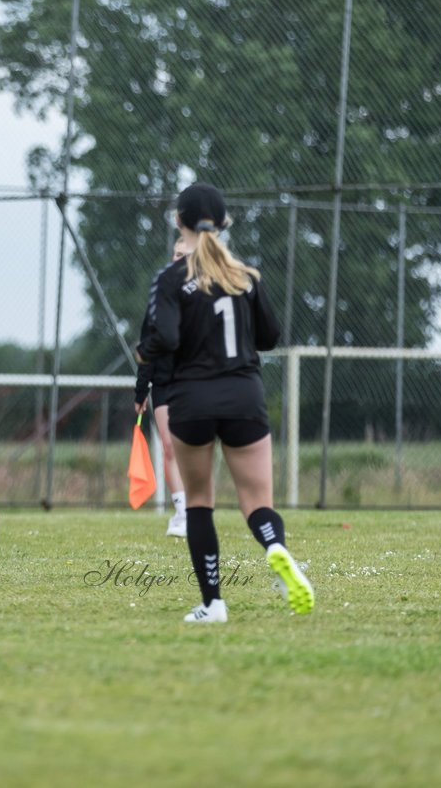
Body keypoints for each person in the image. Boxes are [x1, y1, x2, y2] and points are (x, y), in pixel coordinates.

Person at [135, 183, 314, 623]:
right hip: (244, 397)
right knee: (257, 500)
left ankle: (213, 604)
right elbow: (270, 337)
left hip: (192, 400)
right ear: (225, 222)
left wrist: (146, 352)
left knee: (198, 501)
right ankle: (275, 547)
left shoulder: (171, 277)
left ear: (179, 221)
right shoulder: (245, 276)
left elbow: (169, 337)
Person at [134, 237, 192, 538]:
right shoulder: (160, 296)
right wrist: (141, 390)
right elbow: (147, 343)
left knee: (192, 448)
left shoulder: (206, 296)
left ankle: (196, 509)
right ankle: (182, 513)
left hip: (196, 381)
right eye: (176, 253)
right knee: (170, 447)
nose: (178, 259)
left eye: (185, 255)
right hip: (165, 381)